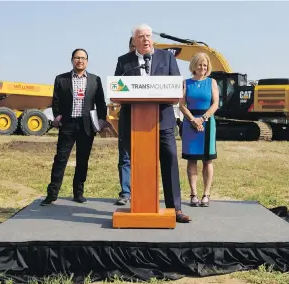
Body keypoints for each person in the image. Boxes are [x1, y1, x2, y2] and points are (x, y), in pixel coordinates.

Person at [113, 23, 191, 223]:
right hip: (134, 123)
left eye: (148, 36)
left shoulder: (167, 57)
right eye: (141, 37)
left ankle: (175, 209)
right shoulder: (124, 61)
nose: (146, 39)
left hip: (163, 120)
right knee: (138, 164)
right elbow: (117, 89)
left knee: (170, 160)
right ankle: (140, 206)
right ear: (134, 41)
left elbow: (178, 84)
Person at [41, 48, 108, 205]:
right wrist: (57, 116)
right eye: (77, 58)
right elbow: (56, 101)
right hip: (68, 125)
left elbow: (101, 102)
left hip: (86, 126)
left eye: (83, 58)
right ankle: (52, 194)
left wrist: (101, 120)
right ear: (72, 60)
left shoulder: (95, 80)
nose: (80, 60)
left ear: (87, 61)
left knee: (82, 160)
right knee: (60, 159)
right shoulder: (61, 79)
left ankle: (78, 193)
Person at [179, 52, 219, 207]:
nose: (203, 67)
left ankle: (206, 194)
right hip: (190, 123)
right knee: (192, 159)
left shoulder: (212, 82)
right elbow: (181, 105)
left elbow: (215, 104)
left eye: (205, 65)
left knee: (207, 160)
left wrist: (202, 119)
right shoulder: (186, 83)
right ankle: (194, 194)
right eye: (200, 64)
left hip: (207, 123)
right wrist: (193, 120)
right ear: (193, 66)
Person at [116, 37, 136, 206]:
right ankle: (125, 192)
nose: (135, 47)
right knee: (125, 156)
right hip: (127, 114)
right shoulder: (123, 62)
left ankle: (143, 192)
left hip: (149, 117)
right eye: (132, 45)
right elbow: (116, 86)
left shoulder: (152, 63)